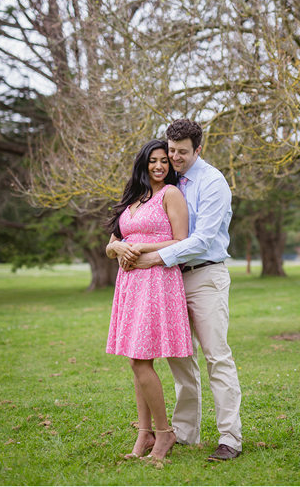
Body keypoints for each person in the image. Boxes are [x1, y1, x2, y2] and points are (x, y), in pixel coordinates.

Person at [119, 119, 242, 461]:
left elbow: (201, 239)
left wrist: (154, 257)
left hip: (204, 277)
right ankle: (185, 433)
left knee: (217, 357)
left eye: (182, 152)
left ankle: (230, 438)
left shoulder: (213, 182)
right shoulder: (167, 180)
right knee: (179, 359)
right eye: (171, 151)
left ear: (198, 149)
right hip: (170, 279)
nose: (174, 157)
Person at [105, 139, 192, 461]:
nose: (159, 166)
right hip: (130, 283)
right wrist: (118, 249)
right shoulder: (133, 199)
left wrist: (138, 247)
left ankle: (165, 434)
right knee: (135, 358)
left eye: (164, 162)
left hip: (157, 280)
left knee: (140, 360)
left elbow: (182, 240)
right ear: (143, 163)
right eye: (153, 161)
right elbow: (112, 243)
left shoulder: (171, 194)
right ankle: (145, 433)